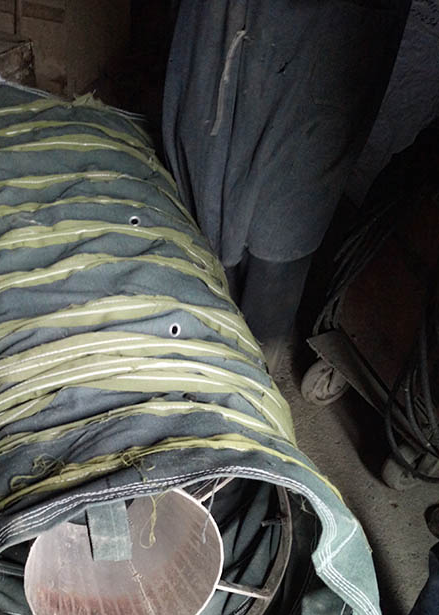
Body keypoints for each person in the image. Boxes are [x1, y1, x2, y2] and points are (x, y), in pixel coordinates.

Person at [162, 0, 411, 371]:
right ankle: (207, 330)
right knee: (205, 191)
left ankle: (254, 370)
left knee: (284, 225)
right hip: (229, 37)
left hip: (322, 50)